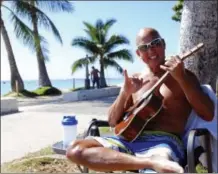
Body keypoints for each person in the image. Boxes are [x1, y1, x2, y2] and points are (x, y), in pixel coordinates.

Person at [66, 28, 214, 173]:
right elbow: (112, 121)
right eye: (144, 47)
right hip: (129, 140)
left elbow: (208, 114)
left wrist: (181, 78)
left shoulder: (184, 76)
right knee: (75, 150)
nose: (151, 50)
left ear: (163, 44)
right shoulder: (136, 80)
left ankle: (150, 162)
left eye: (155, 43)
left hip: (165, 142)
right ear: (138, 54)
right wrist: (124, 93)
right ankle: (149, 162)